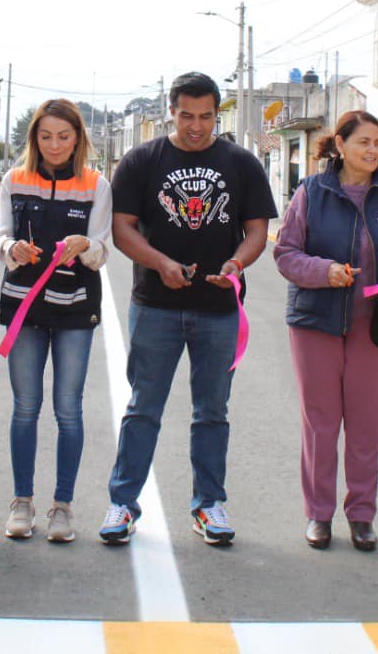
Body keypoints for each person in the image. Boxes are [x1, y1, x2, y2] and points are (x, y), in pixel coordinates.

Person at [100, 71, 276, 547]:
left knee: (212, 412)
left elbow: (257, 230)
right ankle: (123, 504)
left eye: (205, 117)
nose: (196, 126)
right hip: (154, 305)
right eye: (186, 116)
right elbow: (121, 228)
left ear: (217, 114)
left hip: (219, 309)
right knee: (143, 408)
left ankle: (209, 506)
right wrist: (160, 263)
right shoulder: (141, 160)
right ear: (170, 113)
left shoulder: (242, 163)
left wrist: (237, 264)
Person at [273, 110, 378, 552]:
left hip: (375, 326)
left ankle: (362, 515)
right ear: (340, 146)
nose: (374, 151)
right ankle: (318, 515)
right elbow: (285, 254)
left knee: (365, 425)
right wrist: (325, 272)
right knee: (320, 424)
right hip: (315, 322)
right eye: (364, 142)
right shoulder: (311, 193)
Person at [0, 100, 111, 544]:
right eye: (46, 136)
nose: (55, 144)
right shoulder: (14, 179)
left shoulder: (96, 184)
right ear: (34, 139)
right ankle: (22, 501)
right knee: (25, 408)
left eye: (64, 136)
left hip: (75, 310)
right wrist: (11, 251)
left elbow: (101, 252)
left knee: (68, 410)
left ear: (77, 137)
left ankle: (63, 507)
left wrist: (84, 245)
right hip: (24, 306)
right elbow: (1, 235)